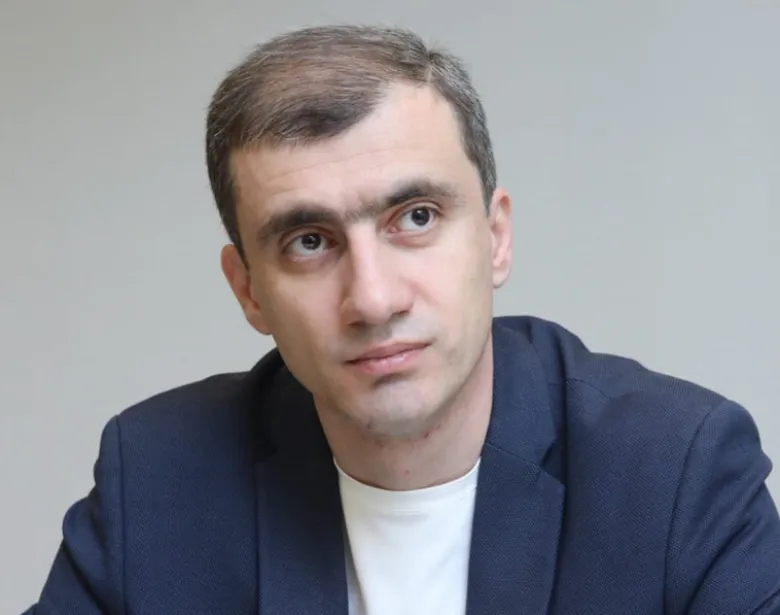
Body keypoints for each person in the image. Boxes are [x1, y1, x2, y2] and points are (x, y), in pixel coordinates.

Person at [24, 24, 780, 615]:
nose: (374, 298)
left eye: (415, 216)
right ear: (248, 289)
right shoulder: (158, 480)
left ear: (495, 238)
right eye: (309, 241)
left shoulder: (675, 472)